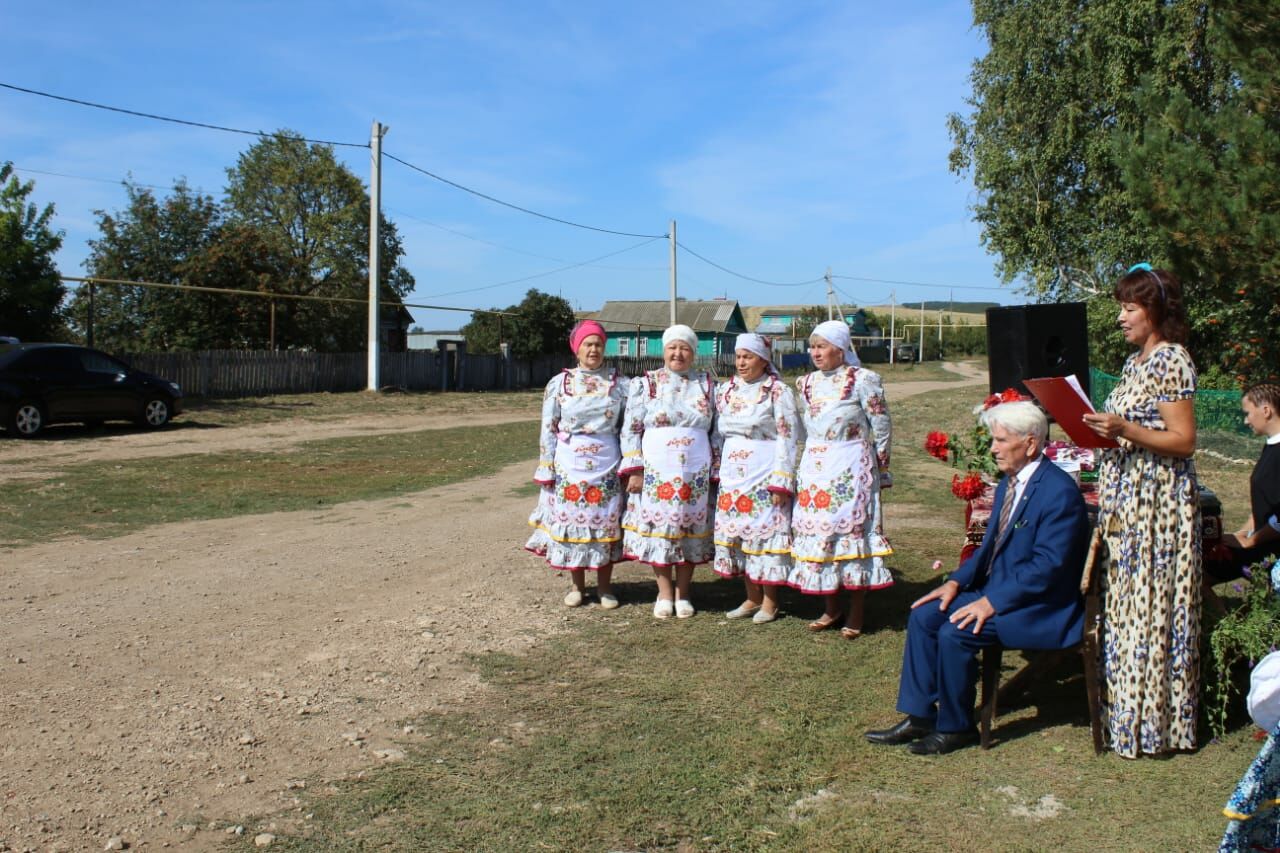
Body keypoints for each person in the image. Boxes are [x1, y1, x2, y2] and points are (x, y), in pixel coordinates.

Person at [864, 400, 1089, 755]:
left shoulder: (1058, 492)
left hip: (1040, 607)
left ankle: (957, 727)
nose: (993, 448)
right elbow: (988, 551)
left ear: (1030, 443)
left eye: (1001, 440)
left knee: (956, 630)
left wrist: (991, 601)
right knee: (924, 616)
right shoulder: (1009, 482)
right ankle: (921, 716)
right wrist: (954, 582)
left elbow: (1049, 567)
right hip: (1003, 592)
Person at [1082, 263, 1201, 758]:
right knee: (1129, 609)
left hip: (1158, 506)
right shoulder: (1135, 364)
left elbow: (1184, 440)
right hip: (1126, 500)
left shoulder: (1172, 359)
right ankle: (1128, 718)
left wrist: (1124, 430)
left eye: (1129, 308)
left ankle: (1159, 729)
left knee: (1154, 611)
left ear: (1155, 310)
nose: (1121, 317)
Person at [787, 319, 892, 639]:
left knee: (850, 535)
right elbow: (804, 427)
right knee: (822, 534)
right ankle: (831, 607)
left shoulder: (863, 380)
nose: (815, 352)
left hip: (851, 464)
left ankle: (857, 611)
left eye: (821, 346)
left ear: (841, 348)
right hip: (817, 467)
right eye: (812, 346)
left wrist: (881, 465)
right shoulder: (805, 383)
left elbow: (882, 424)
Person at [525, 320, 627, 609]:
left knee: (606, 525)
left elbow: (628, 426)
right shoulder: (560, 384)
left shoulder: (620, 384)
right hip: (570, 464)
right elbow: (548, 426)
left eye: (598, 344)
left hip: (607, 464)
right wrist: (547, 464)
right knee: (573, 524)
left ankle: (605, 587)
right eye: (588, 344)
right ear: (577, 348)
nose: (593, 349)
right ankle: (576, 586)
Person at [620, 324, 716, 618]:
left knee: (688, 529)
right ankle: (663, 593)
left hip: (694, 472)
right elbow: (631, 429)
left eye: (685, 348)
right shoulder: (646, 384)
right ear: (663, 351)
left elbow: (717, 430)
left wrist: (717, 467)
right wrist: (634, 469)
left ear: (693, 352)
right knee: (661, 530)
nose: (678, 353)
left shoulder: (707, 384)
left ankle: (683, 593)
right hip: (656, 471)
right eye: (673, 347)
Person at [710, 333, 799, 623]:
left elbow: (788, 436)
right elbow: (717, 432)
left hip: (764, 471)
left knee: (766, 535)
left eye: (748, 357)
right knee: (739, 534)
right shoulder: (726, 391)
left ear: (763, 359)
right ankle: (751, 597)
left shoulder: (777, 392)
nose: (741, 362)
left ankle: (770, 602)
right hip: (733, 475)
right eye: (738, 356)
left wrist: (781, 479)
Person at [1205, 383, 1280, 584]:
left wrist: (1251, 541)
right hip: (1264, 541)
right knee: (1204, 560)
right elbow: (1262, 506)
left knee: (1200, 569)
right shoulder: (1271, 446)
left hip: (1272, 548)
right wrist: (1241, 533)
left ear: (1266, 411)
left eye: (1248, 413)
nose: (1246, 420)